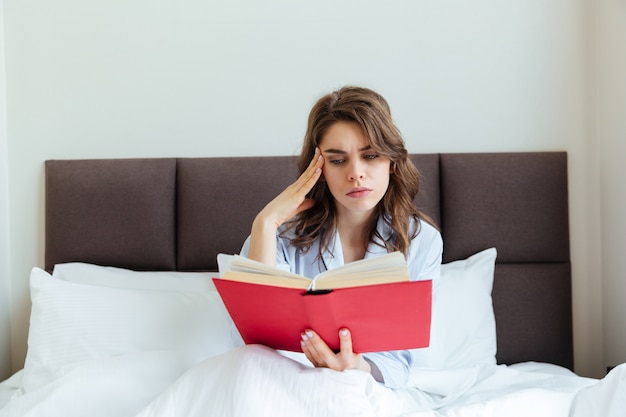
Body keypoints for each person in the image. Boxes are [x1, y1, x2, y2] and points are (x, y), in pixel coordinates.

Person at [239, 85, 443, 390]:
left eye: (370, 155)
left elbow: (399, 360)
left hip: (363, 387)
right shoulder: (279, 234)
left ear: (392, 160)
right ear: (318, 169)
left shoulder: (421, 241)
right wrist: (265, 222)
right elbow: (255, 337)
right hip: (280, 382)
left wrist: (356, 366)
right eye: (337, 160)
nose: (356, 173)